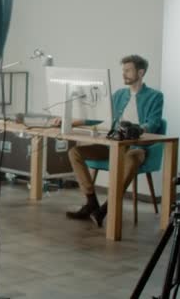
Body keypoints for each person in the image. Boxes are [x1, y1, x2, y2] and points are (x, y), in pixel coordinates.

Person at [56, 55, 164, 227]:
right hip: (114, 145)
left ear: (141, 72)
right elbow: (100, 117)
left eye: (128, 70)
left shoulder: (155, 96)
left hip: (137, 147)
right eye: (123, 70)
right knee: (74, 152)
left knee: (131, 158)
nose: (124, 74)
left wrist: (138, 129)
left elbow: (154, 122)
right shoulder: (120, 95)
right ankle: (91, 202)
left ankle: (106, 208)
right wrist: (68, 121)